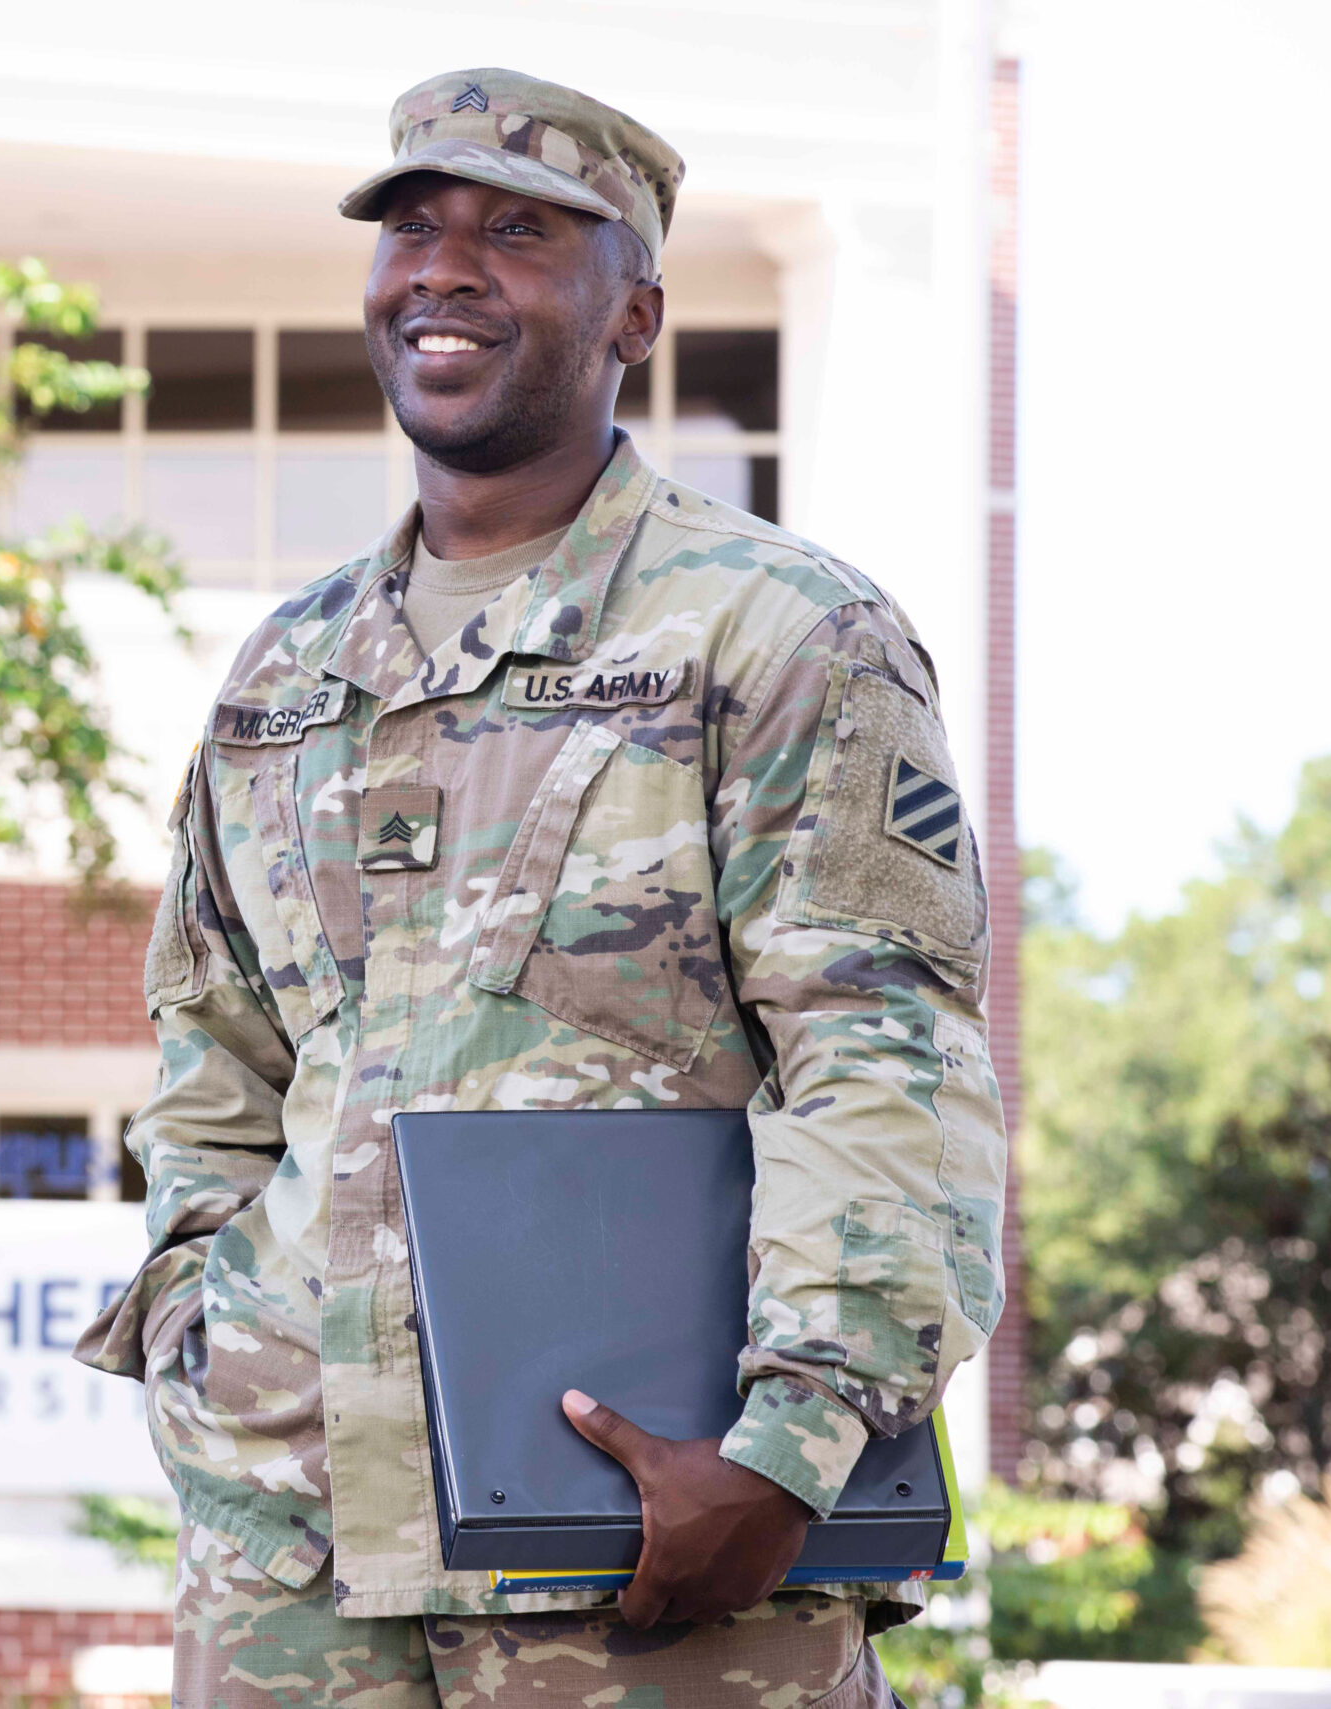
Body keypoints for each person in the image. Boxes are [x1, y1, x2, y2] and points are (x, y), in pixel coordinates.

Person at [75, 68, 1006, 1708]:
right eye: (413, 229)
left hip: (657, 1544)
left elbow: (883, 1063)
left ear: (634, 309)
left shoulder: (778, 633)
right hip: (288, 1553)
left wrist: (790, 1453)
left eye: (516, 232)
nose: (443, 268)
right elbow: (213, 1057)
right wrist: (193, 1339)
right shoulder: (285, 672)